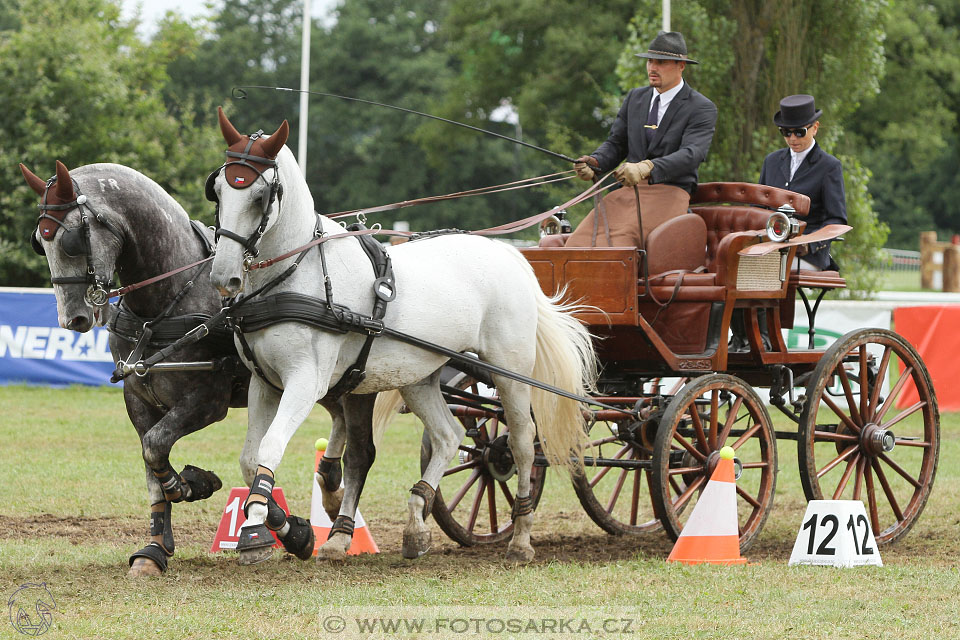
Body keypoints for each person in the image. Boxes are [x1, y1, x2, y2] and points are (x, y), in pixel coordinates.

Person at [567, 31, 717, 248]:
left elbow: (692, 154)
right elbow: (616, 144)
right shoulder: (635, 98)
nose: (652, 68)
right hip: (627, 192)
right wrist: (595, 162)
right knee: (578, 242)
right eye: (649, 61)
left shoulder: (701, 107)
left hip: (670, 192)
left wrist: (648, 167)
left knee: (622, 242)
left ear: (681, 65)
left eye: (661, 62)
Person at [759, 94, 847, 271]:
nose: (792, 138)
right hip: (769, 247)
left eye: (799, 132)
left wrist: (809, 244)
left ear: (815, 128)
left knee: (770, 268)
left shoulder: (829, 166)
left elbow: (837, 219)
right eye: (786, 132)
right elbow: (758, 208)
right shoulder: (772, 162)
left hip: (808, 254)